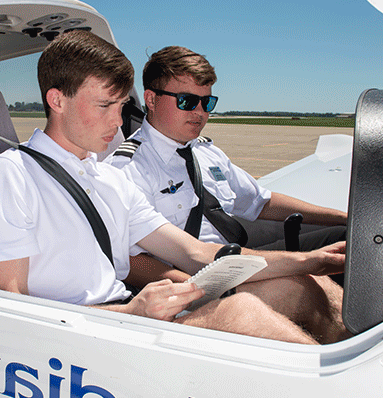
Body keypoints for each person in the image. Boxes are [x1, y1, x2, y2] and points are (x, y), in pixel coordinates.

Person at [0, 31, 347, 345]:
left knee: (302, 284)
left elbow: (196, 254)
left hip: (131, 316)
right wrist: (130, 312)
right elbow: (10, 304)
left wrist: (309, 260)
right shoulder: (13, 175)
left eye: (121, 105)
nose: (118, 121)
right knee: (242, 312)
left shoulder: (109, 179)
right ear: (57, 100)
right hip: (85, 337)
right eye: (104, 105)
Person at [106, 46, 347, 256]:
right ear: (151, 99)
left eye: (207, 102)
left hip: (234, 260)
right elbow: (130, 258)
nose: (200, 112)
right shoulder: (127, 168)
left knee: (345, 237)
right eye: (187, 101)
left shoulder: (206, 153)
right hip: (196, 277)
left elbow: (260, 203)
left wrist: (342, 216)